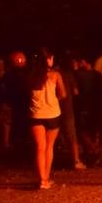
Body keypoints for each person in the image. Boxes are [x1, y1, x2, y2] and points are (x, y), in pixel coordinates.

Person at [27, 50, 67, 189]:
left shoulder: (31, 76)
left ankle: (42, 179)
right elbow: (63, 94)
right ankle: (46, 178)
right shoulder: (55, 75)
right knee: (49, 147)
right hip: (52, 114)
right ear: (49, 60)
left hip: (36, 114)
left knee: (40, 148)